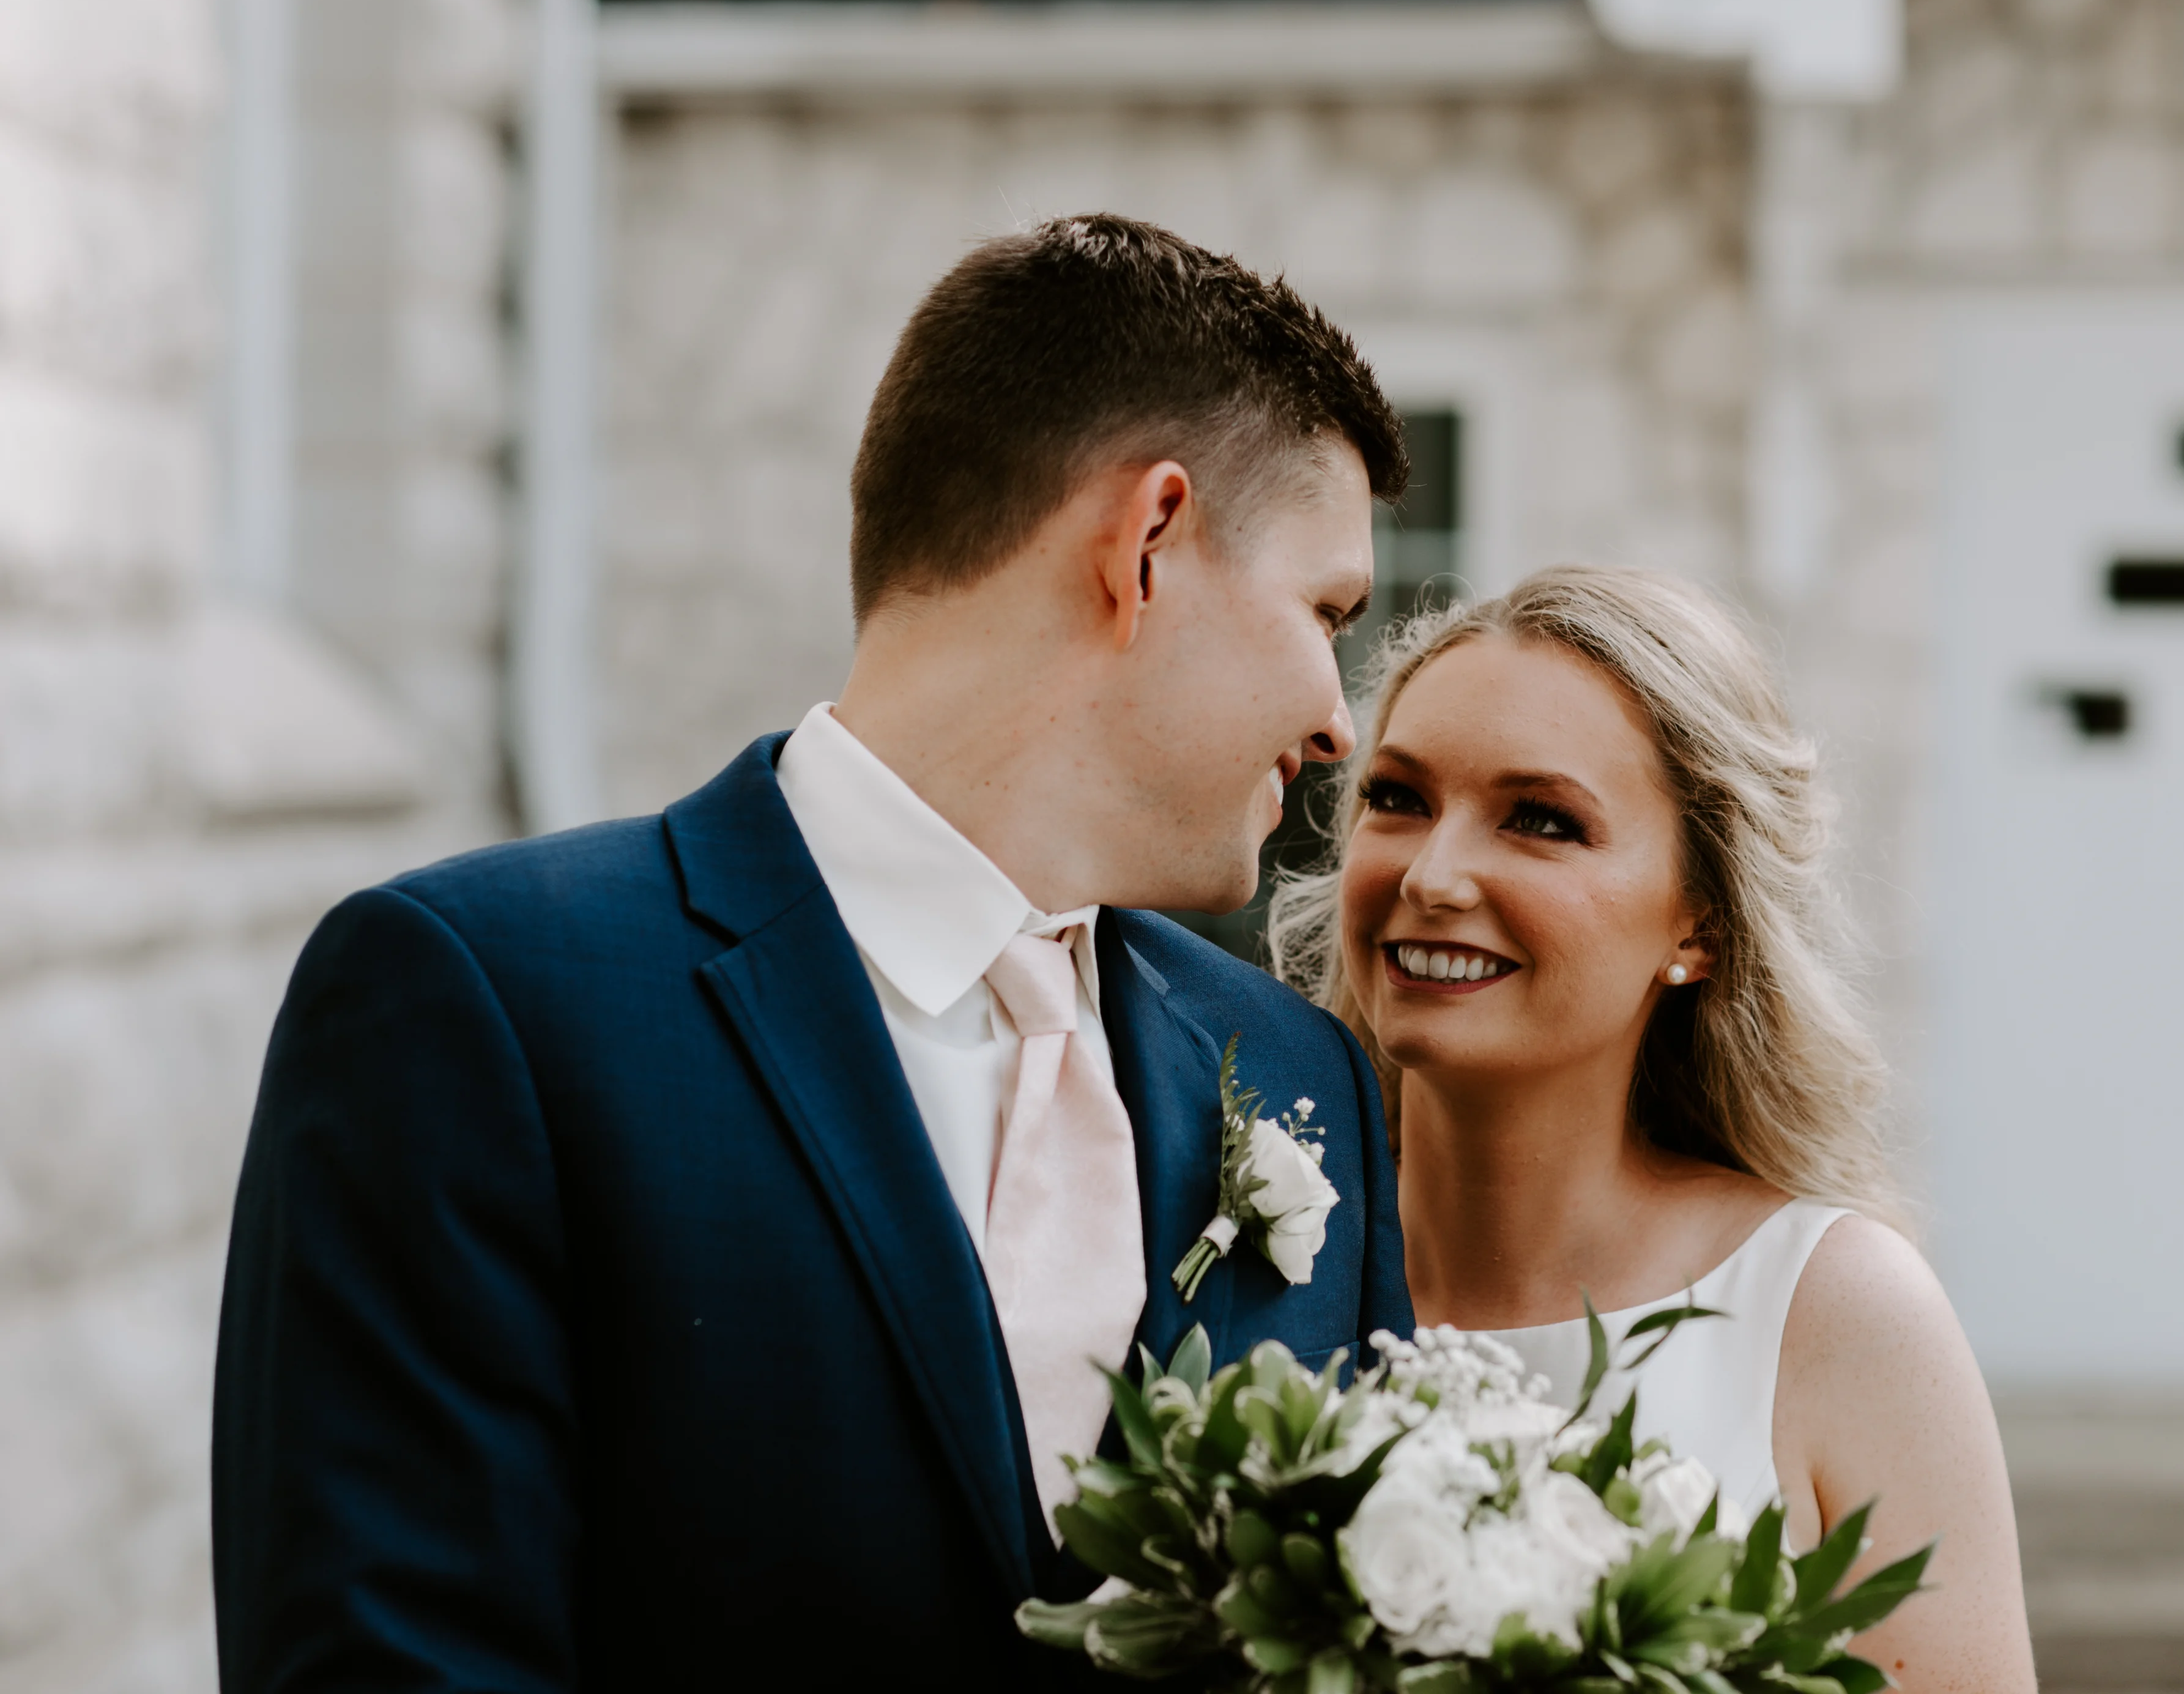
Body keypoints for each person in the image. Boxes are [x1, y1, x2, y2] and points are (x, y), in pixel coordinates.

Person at [212, 216, 1417, 1690]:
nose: (1339, 720)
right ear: (1147, 541)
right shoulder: (482, 1004)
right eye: (1326, 612)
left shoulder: (1299, 1080)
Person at [1268, 566, 2038, 1693]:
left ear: (1700, 923)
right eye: (1399, 799)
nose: (1432, 876)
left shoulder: (1832, 1313)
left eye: (1541, 822)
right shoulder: (1233, 1255)